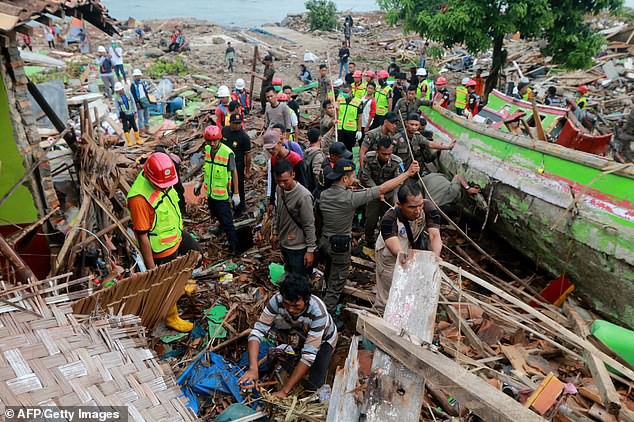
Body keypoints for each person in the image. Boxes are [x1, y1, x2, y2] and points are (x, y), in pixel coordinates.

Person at [319, 158, 420, 318]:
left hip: (324, 242)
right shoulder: (349, 198)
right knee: (338, 281)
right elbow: (382, 188)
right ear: (344, 179)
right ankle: (326, 317)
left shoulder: (324, 194)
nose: (354, 179)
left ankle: (324, 296)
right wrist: (407, 174)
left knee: (329, 273)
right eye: (352, 177)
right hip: (340, 246)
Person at [127, 152, 201, 331]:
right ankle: (171, 316)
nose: (165, 188)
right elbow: (142, 235)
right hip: (162, 247)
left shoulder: (163, 177)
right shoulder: (139, 198)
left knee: (196, 254)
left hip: (176, 234)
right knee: (167, 283)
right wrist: (151, 266)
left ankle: (183, 284)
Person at [239, 274, 337, 396]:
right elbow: (258, 331)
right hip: (301, 332)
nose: (290, 309)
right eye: (287, 304)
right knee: (292, 362)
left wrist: (284, 391)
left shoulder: (318, 313)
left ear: (306, 300)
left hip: (324, 339)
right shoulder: (277, 300)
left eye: (296, 305)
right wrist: (253, 368)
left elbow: (308, 356)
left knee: (315, 383)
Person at [374, 182, 442, 311]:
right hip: (389, 254)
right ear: (399, 205)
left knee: (407, 288)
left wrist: (435, 256)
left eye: (420, 205)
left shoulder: (429, 208)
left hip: (408, 249)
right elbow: (392, 243)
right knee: (388, 290)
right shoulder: (389, 218)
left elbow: (434, 235)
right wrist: (402, 256)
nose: (417, 211)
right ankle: (381, 313)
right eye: (412, 207)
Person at [194, 125, 240, 255]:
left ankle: (234, 245)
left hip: (222, 195)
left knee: (227, 220)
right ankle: (221, 230)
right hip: (210, 193)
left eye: (215, 141)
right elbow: (206, 168)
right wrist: (200, 183)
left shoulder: (227, 152)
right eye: (210, 141)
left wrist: (236, 193)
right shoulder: (207, 149)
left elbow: (234, 172)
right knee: (216, 214)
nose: (212, 143)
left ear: (220, 139)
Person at [271, 160, 317, 277]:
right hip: (285, 243)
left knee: (300, 280)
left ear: (293, 175)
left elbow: (309, 224)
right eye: (279, 181)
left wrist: (310, 250)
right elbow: (278, 212)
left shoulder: (303, 196)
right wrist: (275, 232)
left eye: (285, 181)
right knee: (289, 274)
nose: (282, 184)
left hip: (299, 247)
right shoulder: (279, 189)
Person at [361, 137, 404, 247]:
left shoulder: (397, 162)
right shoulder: (368, 158)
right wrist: (377, 191)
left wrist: (387, 193)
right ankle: (369, 240)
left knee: (388, 219)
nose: (386, 157)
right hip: (373, 194)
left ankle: (385, 241)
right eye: (383, 154)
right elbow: (366, 176)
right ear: (377, 151)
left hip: (390, 194)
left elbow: (398, 181)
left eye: (389, 154)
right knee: (371, 219)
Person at [264, 129, 308, 209]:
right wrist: (271, 201)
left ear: (280, 143)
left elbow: (304, 183)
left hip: (296, 196)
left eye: (273, 148)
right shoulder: (273, 159)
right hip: (282, 196)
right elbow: (273, 181)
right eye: (268, 149)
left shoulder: (295, 159)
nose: (270, 151)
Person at [222, 114, 251, 214]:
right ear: (230, 123)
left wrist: (247, 171)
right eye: (235, 123)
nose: (237, 125)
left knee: (238, 186)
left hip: (237, 164)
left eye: (239, 123)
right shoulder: (224, 131)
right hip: (224, 162)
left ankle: (240, 208)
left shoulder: (244, 137)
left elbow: (248, 155)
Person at [114, 82, 142, 146]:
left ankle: (138, 140)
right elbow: (117, 108)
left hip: (131, 113)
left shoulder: (129, 93)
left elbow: (133, 102)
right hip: (123, 114)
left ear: (122, 89)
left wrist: (135, 112)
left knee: (134, 127)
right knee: (125, 128)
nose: (119, 92)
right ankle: (129, 142)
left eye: (120, 90)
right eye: (118, 91)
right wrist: (119, 117)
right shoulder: (116, 98)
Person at [336, 84, 363, 152]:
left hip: (351, 130)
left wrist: (359, 130)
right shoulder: (340, 99)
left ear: (351, 91)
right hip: (340, 128)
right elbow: (337, 112)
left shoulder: (358, 102)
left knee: (349, 149)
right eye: (343, 92)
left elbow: (360, 117)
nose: (345, 94)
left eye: (346, 92)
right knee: (340, 148)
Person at [130, 69, 152, 136]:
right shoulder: (133, 85)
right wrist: (137, 103)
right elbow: (133, 95)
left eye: (139, 76)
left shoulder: (142, 83)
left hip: (145, 101)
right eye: (137, 76)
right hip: (139, 102)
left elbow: (145, 92)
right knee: (140, 118)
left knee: (147, 116)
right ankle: (141, 131)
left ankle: (147, 129)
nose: (138, 77)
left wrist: (148, 100)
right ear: (134, 77)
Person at [304, 128, 326, 192]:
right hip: (314, 190)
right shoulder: (318, 156)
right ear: (319, 138)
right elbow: (318, 176)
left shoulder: (306, 152)